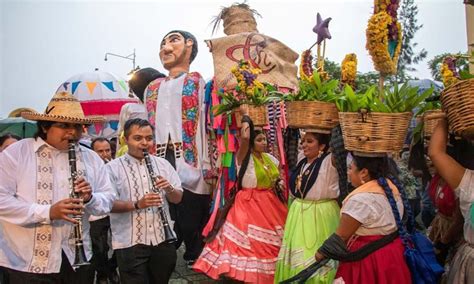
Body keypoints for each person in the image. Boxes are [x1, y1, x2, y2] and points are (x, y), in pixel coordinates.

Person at [0, 91, 115, 283]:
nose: (72, 132)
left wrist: (90, 198)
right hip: (26, 260)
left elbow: (109, 198)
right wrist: (47, 212)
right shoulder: (18, 152)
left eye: (77, 126)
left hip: (77, 259)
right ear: (45, 127)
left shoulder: (91, 157)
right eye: (64, 126)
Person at [144, 30, 215, 266]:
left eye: (173, 40)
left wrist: (208, 162)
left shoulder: (196, 81)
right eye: (162, 42)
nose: (165, 47)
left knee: (192, 211)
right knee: (164, 206)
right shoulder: (152, 87)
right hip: (159, 155)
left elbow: (206, 122)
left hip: (190, 156)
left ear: (189, 45)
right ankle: (165, 249)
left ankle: (195, 250)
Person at [193, 107, 288, 282]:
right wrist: (245, 115)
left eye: (265, 139)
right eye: (259, 140)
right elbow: (244, 137)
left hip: (271, 206)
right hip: (249, 205)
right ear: (251, 143)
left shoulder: (270, 159)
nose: (264, 143)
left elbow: (276, 178)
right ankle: (246, 275)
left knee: (269, 246)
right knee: (249, 245)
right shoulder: (244, 158)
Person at [106, 118, 183, 283]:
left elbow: (177, 198)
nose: (144, 143)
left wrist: (169, 188)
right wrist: (137, 204)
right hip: (130, 241)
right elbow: (107, 204)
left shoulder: (163, 164)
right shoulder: (112, 168)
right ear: (126, 140)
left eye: (149, 138)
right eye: (138, 138)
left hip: (163, 239)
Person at [314, 154, 412, 283]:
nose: (348, 173)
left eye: (350, 168)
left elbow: (342, 236)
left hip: (368, 260)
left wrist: (321, 253)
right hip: (392, 255)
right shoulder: (391, 189)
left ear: (364, 172)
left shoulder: (361, 200)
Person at [275, 130, 340, 283]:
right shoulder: (302, 160)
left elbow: (340, 149)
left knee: (315, 257)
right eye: (303, 141)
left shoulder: (330, 160)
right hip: (299, 213)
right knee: (297, 257)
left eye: (309, 141)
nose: (304, 145)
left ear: (323, 145)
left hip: (321, 214)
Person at [429, 119, 474, 283]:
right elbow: (435, 153)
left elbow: (435, 153)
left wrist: (445, 117)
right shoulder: (469, 181)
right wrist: (447, 115)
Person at [89, 137, 119, 284]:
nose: (104, 154)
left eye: (107, 150)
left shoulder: (116, 166)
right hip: (97, 216)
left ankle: (111, 268)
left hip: (117, 212)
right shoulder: (88, 168)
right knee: (100, 249)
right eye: (100, 151)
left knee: (120, 246)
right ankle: (103, 274)